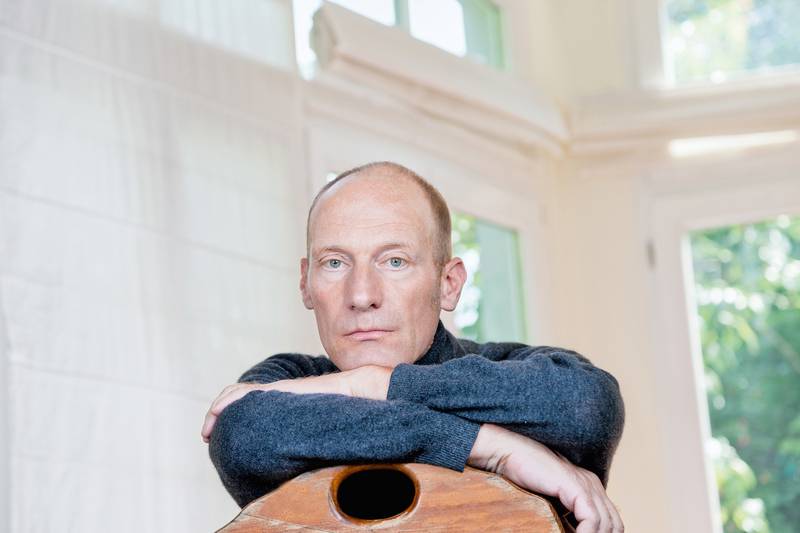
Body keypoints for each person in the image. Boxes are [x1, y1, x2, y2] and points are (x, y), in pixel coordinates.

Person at [202, 161, 626, 532]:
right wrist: (492, 448)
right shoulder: (289, 379)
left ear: (449, 284)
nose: (362, 295)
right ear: (305, 283)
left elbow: (585, 406)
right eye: (334, 262)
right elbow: (245, 433)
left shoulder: (515, 368)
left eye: (394, 261)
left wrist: (370, 384)